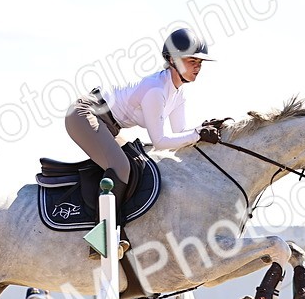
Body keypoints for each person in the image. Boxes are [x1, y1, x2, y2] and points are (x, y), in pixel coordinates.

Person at [64, 27, 222, 207]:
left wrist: (201, 130)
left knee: (138, 163)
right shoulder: (156, 90)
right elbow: (160, 142)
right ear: (172, 60)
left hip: (108, 124)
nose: (198, 66)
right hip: (85, 113)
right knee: (121, 167)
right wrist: (197, 135)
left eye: (200, 62)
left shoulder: (179, 93)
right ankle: (103, 223)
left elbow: (180, 133)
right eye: (192, 60)